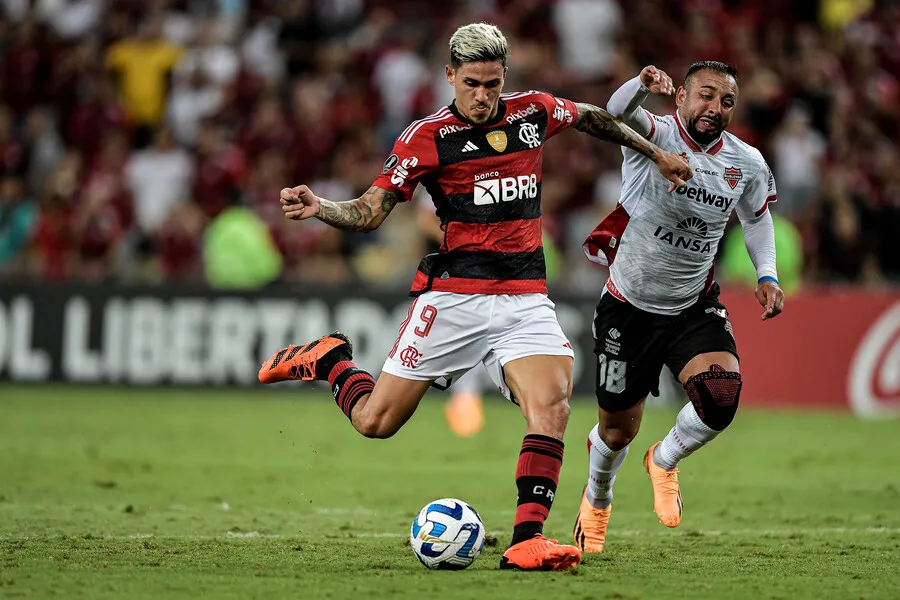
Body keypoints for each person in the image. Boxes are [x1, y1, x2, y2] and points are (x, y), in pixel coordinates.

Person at [257, 23, 692, 571]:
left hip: (523, 296)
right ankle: (331, 361)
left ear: (503, 77)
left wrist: (654, 152)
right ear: (449, 77)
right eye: (471, 84)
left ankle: (526, 539)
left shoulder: (532, 113)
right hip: (454, 297)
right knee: (375, 422)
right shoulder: (425, 138)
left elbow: (592, 117)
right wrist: (320, 206)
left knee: (552, 405)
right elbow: (370, 210)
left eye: (491, 83)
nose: (482, 95)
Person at [574, 62, 785, 554]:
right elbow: (612, 113)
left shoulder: (746, 162)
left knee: (721, 396)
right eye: (706, 96)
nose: (715, 108)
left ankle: (664, 459)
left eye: (726, 101)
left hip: (692, 304)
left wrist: (767, 274)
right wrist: (638, 85)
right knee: (615, 430)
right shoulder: (655, 133)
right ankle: (597, 498)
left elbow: (757, 218)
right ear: (682, 97)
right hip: (629, 306)